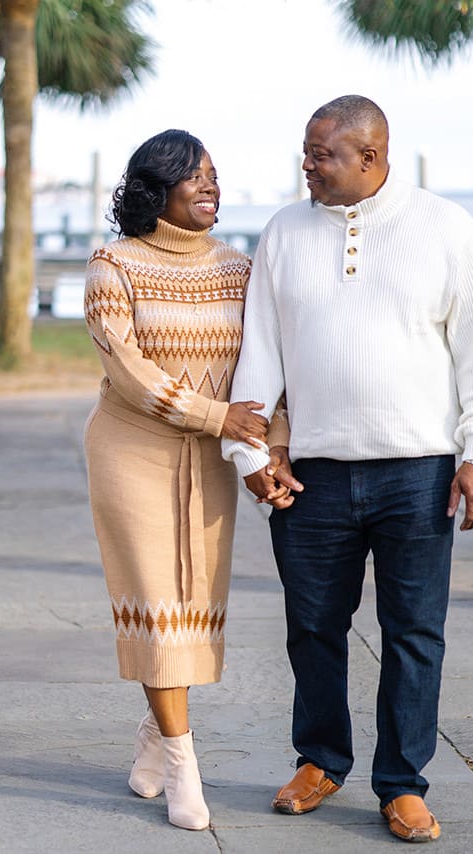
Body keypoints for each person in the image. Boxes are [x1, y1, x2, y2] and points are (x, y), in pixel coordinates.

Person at [223, 95, 473, 844]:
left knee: (414, 631)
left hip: (419, 472)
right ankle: (320, 760)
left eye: (321, 154)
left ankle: (403, 784)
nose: (307, 165)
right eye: (306, 151)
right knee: (312, 626)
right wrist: (250, 452)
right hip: (313, 474)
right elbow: (261, 349)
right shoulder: (283, 231)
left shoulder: (446, 226)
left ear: (370, 157)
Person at [82, 129, 289, 831]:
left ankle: (153, 731)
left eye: (214, 175)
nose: (210, 186)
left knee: (192, 606)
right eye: (194, 175)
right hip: (131, 453)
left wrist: (270, 445)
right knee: (155, 603)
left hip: (210, 460)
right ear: (156, 187)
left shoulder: (240, 269)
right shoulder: (114, 265)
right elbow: (128, 372)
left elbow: (267, 367)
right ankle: (182, 765)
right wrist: (215, 415)